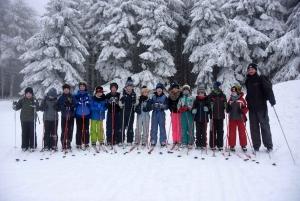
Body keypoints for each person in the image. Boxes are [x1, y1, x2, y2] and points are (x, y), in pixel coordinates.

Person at [245, 63, 276, 152]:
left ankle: (268, 145)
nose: (250, 71)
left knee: (265, 126)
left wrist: (271, 99)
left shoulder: (261, 79)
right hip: (251, 108)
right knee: (253, 127)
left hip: (261, 107)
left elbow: (268, 89)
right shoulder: (247, 81)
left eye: (252, 69)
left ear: (255, 70)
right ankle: (256, 145)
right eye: (249, 69)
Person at [12, 87, 40, 152]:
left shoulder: (34, 100)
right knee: (24, 133)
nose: (28, 94)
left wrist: (36, 105)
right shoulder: (22, 100)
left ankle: (33, 145)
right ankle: (25, 146)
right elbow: (17, 107)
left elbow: (38, 109)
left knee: (32, 133)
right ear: (25, 94)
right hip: (24, 119)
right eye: (27, 93)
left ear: (32, 94)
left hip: (32, 119)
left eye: (30, 93)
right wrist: (15, 105)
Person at [226, 85, 248, 152]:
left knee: (242, 132)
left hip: (240, 118)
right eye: (232, 92)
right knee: (232, 132)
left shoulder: (242, 100)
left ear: (238, 92)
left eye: (234, 92)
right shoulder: (230, 100)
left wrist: (243, 111)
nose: (233, 93)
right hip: (232, 118)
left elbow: (246, 108)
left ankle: (243, 145)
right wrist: (227, 108)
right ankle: (232, 145)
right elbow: (227, 110)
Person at [119, 77, 139, 147]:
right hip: (123, 112)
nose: (129, 88)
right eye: (128, 86)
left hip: (131, 112)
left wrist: (134, 100)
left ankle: (129, 140)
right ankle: (121, 140)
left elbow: (136, 103)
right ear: (126, 87)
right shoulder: (123, 93)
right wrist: (122, 100)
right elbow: (120, 104)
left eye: (131, 86)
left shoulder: (134, 94)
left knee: (130, 126)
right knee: (122, 126)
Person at [207, 81, 227, 151]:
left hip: (221, 116)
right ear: (216, 87)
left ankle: (220, 145)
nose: (221, 87)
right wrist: (210, 106)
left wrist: (225, 106)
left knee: (220, 131)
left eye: (221, 86)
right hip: (213, 116)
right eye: (220, 86)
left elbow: (225, 105)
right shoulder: (211, 95)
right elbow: (207, 105)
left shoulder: (223, 95)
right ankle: (212, 144)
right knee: (212, 130)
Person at [74, 81, 92, 150]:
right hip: (79, 114)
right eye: (81, 86)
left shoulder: (88, 95)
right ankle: (78, 143)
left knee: (86, 129)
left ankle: (86, 142)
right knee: (79, 129)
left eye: (83, 86)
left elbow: (91, 103)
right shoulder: (76, 94)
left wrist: (87, 102)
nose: (82, 87)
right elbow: (74, 103)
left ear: (85, 87)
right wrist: (78, 102)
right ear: (79, 87)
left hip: (86, 114)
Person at [40, 87, 59, 151]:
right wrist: (43, 107)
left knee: (54, 132)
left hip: (55, 118)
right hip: (46, 118)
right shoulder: (45, 100)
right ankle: (46, 145)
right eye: (50, 95)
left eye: (53, 96)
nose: (51, 97)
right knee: (47, 132)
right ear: (48, 94)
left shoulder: (56, 100)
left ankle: (54, 145)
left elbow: (59, 108)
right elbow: (41, 107)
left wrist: (57, 108)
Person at [58, 83, 76, 151]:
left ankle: (68, 142)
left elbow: (75, 104)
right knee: (64, 129)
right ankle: (63, 142)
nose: (66, 90)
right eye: (65, 89)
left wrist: (71, 105)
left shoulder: (72, 96)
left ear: (69, 90)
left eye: (67, 89)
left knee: (70, 130)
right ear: (63, 90)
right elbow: (60, 105)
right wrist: (64, 105)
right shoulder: (61, 97)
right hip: (64, 115)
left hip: (71, 115)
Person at [150, 83, 169, 147]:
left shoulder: (164, 97)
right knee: (154, 127)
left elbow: (167, 106)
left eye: (160, 89)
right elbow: (150, 105)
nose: (159, 90)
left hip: (161, 114)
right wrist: (153, 105)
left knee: (162, 127)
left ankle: (163, 140)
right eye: (158, 89)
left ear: (162, 90)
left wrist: (163, 106)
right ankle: (153, 140)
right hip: (155, 113)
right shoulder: (153, 96)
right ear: (156, 90)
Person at [191, 84, 209, 150]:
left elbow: (209, 109)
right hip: (198, 119)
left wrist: (207, 109)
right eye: (199, 93)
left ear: (204, 93)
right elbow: (193, 108)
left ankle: (204, 144)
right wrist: (193, 110)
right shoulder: (196, 100)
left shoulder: (206, 100)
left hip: (204, 119)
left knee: (204, 132)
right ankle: (198, 144)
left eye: (202, 93)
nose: (201, 94)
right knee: (198, 132)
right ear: (198, 94)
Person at [177, 84, 194, 149]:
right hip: (183, 114)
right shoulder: (181, 98)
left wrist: (189, 108)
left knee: (190, 128)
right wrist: (180, 109)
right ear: (183, 91)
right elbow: (178, 106)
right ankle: (184, 142)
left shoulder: (192, 98)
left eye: (187, 90)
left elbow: (193, 105)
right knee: (184, 128)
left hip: (189, 114)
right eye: (185, 90)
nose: (186, 91)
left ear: (189, 91)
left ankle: (191, 141)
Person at [105, 82, 121, 147]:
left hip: (117, 113)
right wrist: (109, 102)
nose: (114, 89)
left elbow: (121, 104)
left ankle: (115, 139)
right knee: (109, 126)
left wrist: (118, 102)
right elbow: (106, 105)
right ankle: (109, 139)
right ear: (110, 88)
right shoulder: (108, 95)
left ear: (116, 88)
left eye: (115, 87)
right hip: (110, 113)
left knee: (116, 126)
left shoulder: (119, 95)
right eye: (112, 87)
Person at [168, 82, 182, 147]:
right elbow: (168, 104)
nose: (175, 89)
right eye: (174, 88)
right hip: (173, 112)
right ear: (172, 89)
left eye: (176, 88)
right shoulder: (170, 95)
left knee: (179, 126)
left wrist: (179, 107)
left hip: (179, 112)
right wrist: (171, 107)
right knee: (174, 127)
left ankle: (179, 139)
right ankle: (174, 140)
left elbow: (182, 102)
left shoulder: (181, 94)